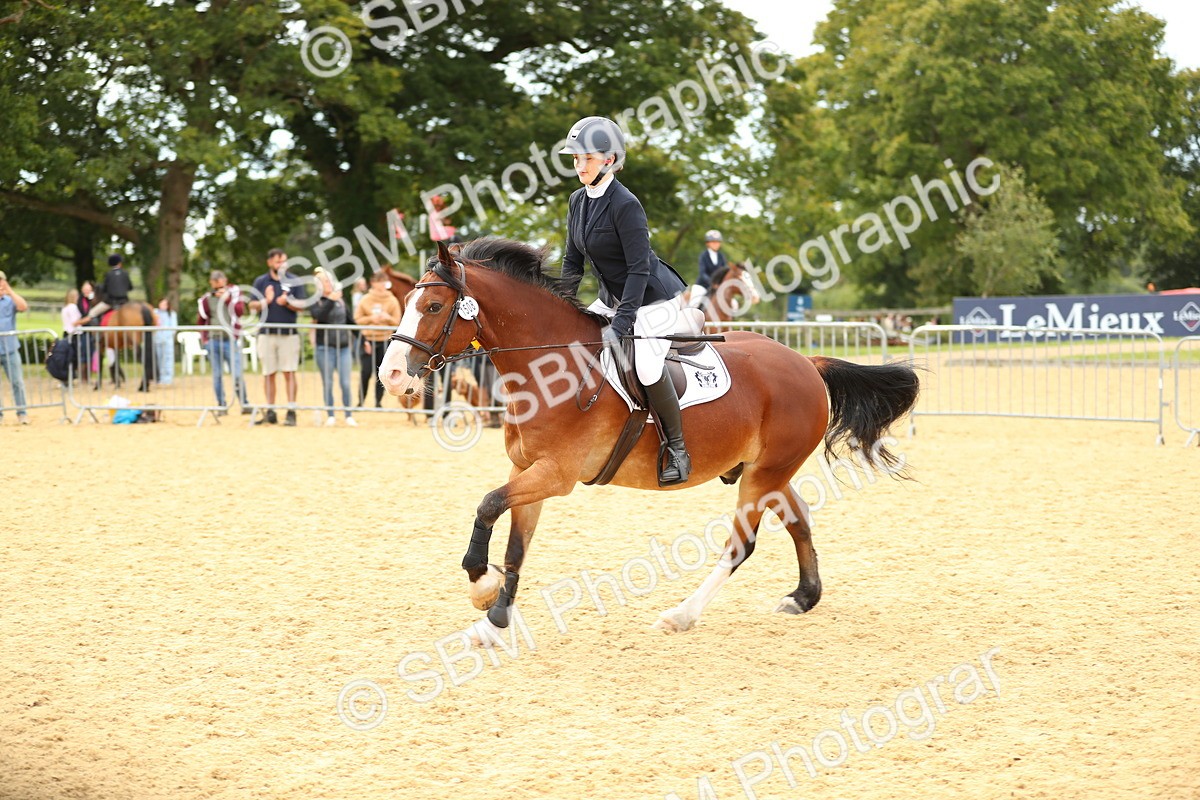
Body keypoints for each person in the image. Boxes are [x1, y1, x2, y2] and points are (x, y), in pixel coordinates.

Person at [558, 115, 700, 486]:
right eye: (574, 159)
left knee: (648, 367)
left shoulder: (626, 204)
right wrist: (562, 303)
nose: (579, 166)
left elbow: (638, 269)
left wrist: (622, 323)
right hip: (611, 297)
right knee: (575, 341)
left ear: (609, 159)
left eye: (585, 158)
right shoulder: (577, 201)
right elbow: (573, 260)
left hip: (652, 299)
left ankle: (678, 449)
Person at [249, 248, 307, 425]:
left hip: (288, 334)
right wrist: (265, 301)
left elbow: (303, 304)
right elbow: (251, 304)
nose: (281, 265)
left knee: (289, 372)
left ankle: (291, 410)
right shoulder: (261, 281)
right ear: (270, 263)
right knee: (269, 373)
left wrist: (288, 302)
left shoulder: (294, 280)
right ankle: (270, 410)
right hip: (266, 334)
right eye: (278, 262)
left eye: (284, 261)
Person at [198, 270, 250, 413]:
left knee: (237, 374)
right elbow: (201, 320)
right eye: (216, 282)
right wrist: (205, 339)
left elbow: (240, 311)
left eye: (221, 281)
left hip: (230, 340)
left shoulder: (235, 293)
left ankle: (244, 404)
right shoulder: (206, 299)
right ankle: (222, 405)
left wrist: (227, 299)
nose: (219, 286)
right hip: (213, 341)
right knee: (217, 375)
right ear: (212, 283)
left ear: (225, 281)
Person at [310, 267, 357, 426]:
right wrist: (330, 299)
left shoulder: (341, 300)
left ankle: (348, 414)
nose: (328, 284)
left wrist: (362, 339)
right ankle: (330, 414)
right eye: (324, 281)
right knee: (328, 382)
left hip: (343, 347)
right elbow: (319, 316)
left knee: (345, 382)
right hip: (325, 348)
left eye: (329, 280)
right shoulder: (316, 301)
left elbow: (350, 321)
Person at [354, 269, 402, 407]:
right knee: (366, 371)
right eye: (379, 282)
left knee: (381, 373)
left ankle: (378, 401)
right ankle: (361, 400)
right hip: (368, 340)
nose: (382, 285)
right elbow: (357, 318)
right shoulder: (365, 300)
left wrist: (388, 318)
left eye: (384, 282)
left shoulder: (392, 300)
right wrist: (371, 319)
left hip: (385, 340)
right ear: (373, 283)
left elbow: (397, 320)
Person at [0, 271, 30, 424]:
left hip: (10, 348)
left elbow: (23, 306)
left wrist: (10, 291)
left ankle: (22, 412)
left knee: (17, 382)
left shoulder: (10, 300)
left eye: (1, 282)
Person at [78, 254, 134, 325]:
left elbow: (104, 289)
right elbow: (130, 287)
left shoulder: (108, 274)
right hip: (124, 301)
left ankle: (96, 333)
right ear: (119, 263)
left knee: (92, 313)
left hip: (110, 302)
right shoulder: (125, 273)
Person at [689, 229, 727, 311]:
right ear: (707, 243)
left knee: (733, 303)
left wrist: (721, 284)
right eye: (713, 242)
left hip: (718, 286)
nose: (716, 244)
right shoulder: (703, 255)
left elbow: (725, 272)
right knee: (694, 303)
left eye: (718, 242)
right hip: (703, 285)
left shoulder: (721, 256)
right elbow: (702, 273)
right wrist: (712, 282)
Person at [154, 298, 177, 385]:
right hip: (157, 339)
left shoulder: (171, 314)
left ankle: (168, 378)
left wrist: (167, 336)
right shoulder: (155, 312)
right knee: (159, 359)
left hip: (167, 340)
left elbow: (173, 328)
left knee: (168, 359)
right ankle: (160, 378)